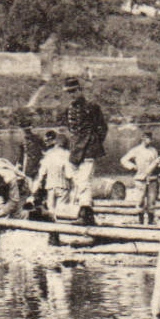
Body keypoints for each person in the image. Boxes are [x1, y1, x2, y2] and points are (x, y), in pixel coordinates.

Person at [61, 77, 109, 224]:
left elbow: (102, 128)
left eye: (74, 91)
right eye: (69, 92)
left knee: (84, 181)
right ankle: (86, 212)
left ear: (80, 90)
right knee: (77, 181)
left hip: (88, 149)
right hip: (75, 150)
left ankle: (85, 214)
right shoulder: (69, 110)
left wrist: (94, 143)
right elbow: (72, 131)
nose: (72, 94)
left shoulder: (92, 107)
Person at [120, 131, 160, 223]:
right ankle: (140, 221)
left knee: (151, 200)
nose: (149, 140)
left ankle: (150, 221)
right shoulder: (136, 150)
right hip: (140, 178)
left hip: (152, 178)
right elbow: (123, 160)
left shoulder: (153, 150)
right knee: (140, 200)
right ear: (143, 138)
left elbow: (156, 164)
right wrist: (132, 166)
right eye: (147, 138)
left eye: (150, 138)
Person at [34, 131, 74, 218]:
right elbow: (69, 174)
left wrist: (39, 183)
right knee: (62, 211)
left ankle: (52, 225)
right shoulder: (67, 154)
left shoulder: (48, 154)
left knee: (51, 210)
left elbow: (42, 172)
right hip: (63, 186)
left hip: (50, 186)